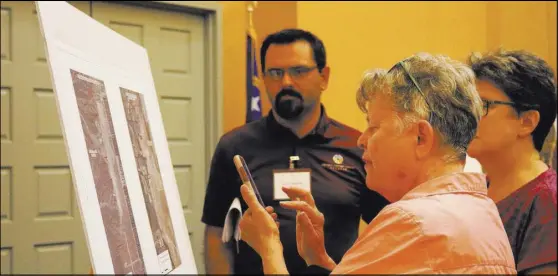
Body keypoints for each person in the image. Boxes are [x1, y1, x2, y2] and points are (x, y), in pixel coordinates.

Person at [238, 53, 517, 274]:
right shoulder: (484, 209)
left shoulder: (412, 221)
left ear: (421, 137)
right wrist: (319, 259)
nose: (362, 140)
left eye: (374, 127)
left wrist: (268, 247)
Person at [201, 28, 389, 274]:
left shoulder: (359, 146)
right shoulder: (234, 147)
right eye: (275, 72)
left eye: (299, 71)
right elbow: (216, 234)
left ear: (324, 77)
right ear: (264, 78)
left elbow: (386, 232)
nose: (286, 82)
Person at [467, 48, 557, 274]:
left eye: (484, 105)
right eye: (468, 105)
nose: (469, 116)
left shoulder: (547, 201)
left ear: (526, 122)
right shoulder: (476, 191)